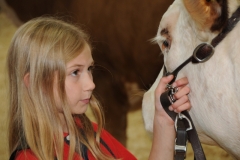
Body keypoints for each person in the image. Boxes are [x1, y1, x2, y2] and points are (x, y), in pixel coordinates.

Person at [6, 17, 191, 160]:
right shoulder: (30, 157)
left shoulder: (89, 133)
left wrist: (163, 120)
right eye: (75, 72)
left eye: (89, 69)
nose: (91, 84)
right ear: (35, 83)